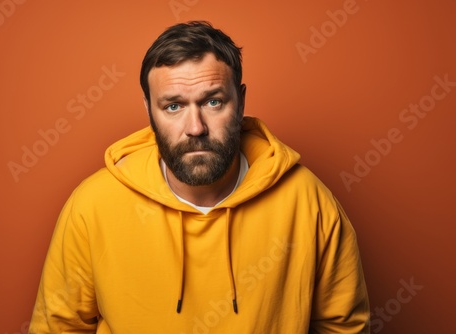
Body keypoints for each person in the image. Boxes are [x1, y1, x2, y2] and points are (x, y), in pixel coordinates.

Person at [29, 21, 370, 333]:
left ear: (241, 101)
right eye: (173, 106)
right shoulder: (92, 206)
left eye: (212, 101)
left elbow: (343, 328)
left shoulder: (308, 201)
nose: (195, 128)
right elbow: (57, 327)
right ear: (149, 111)